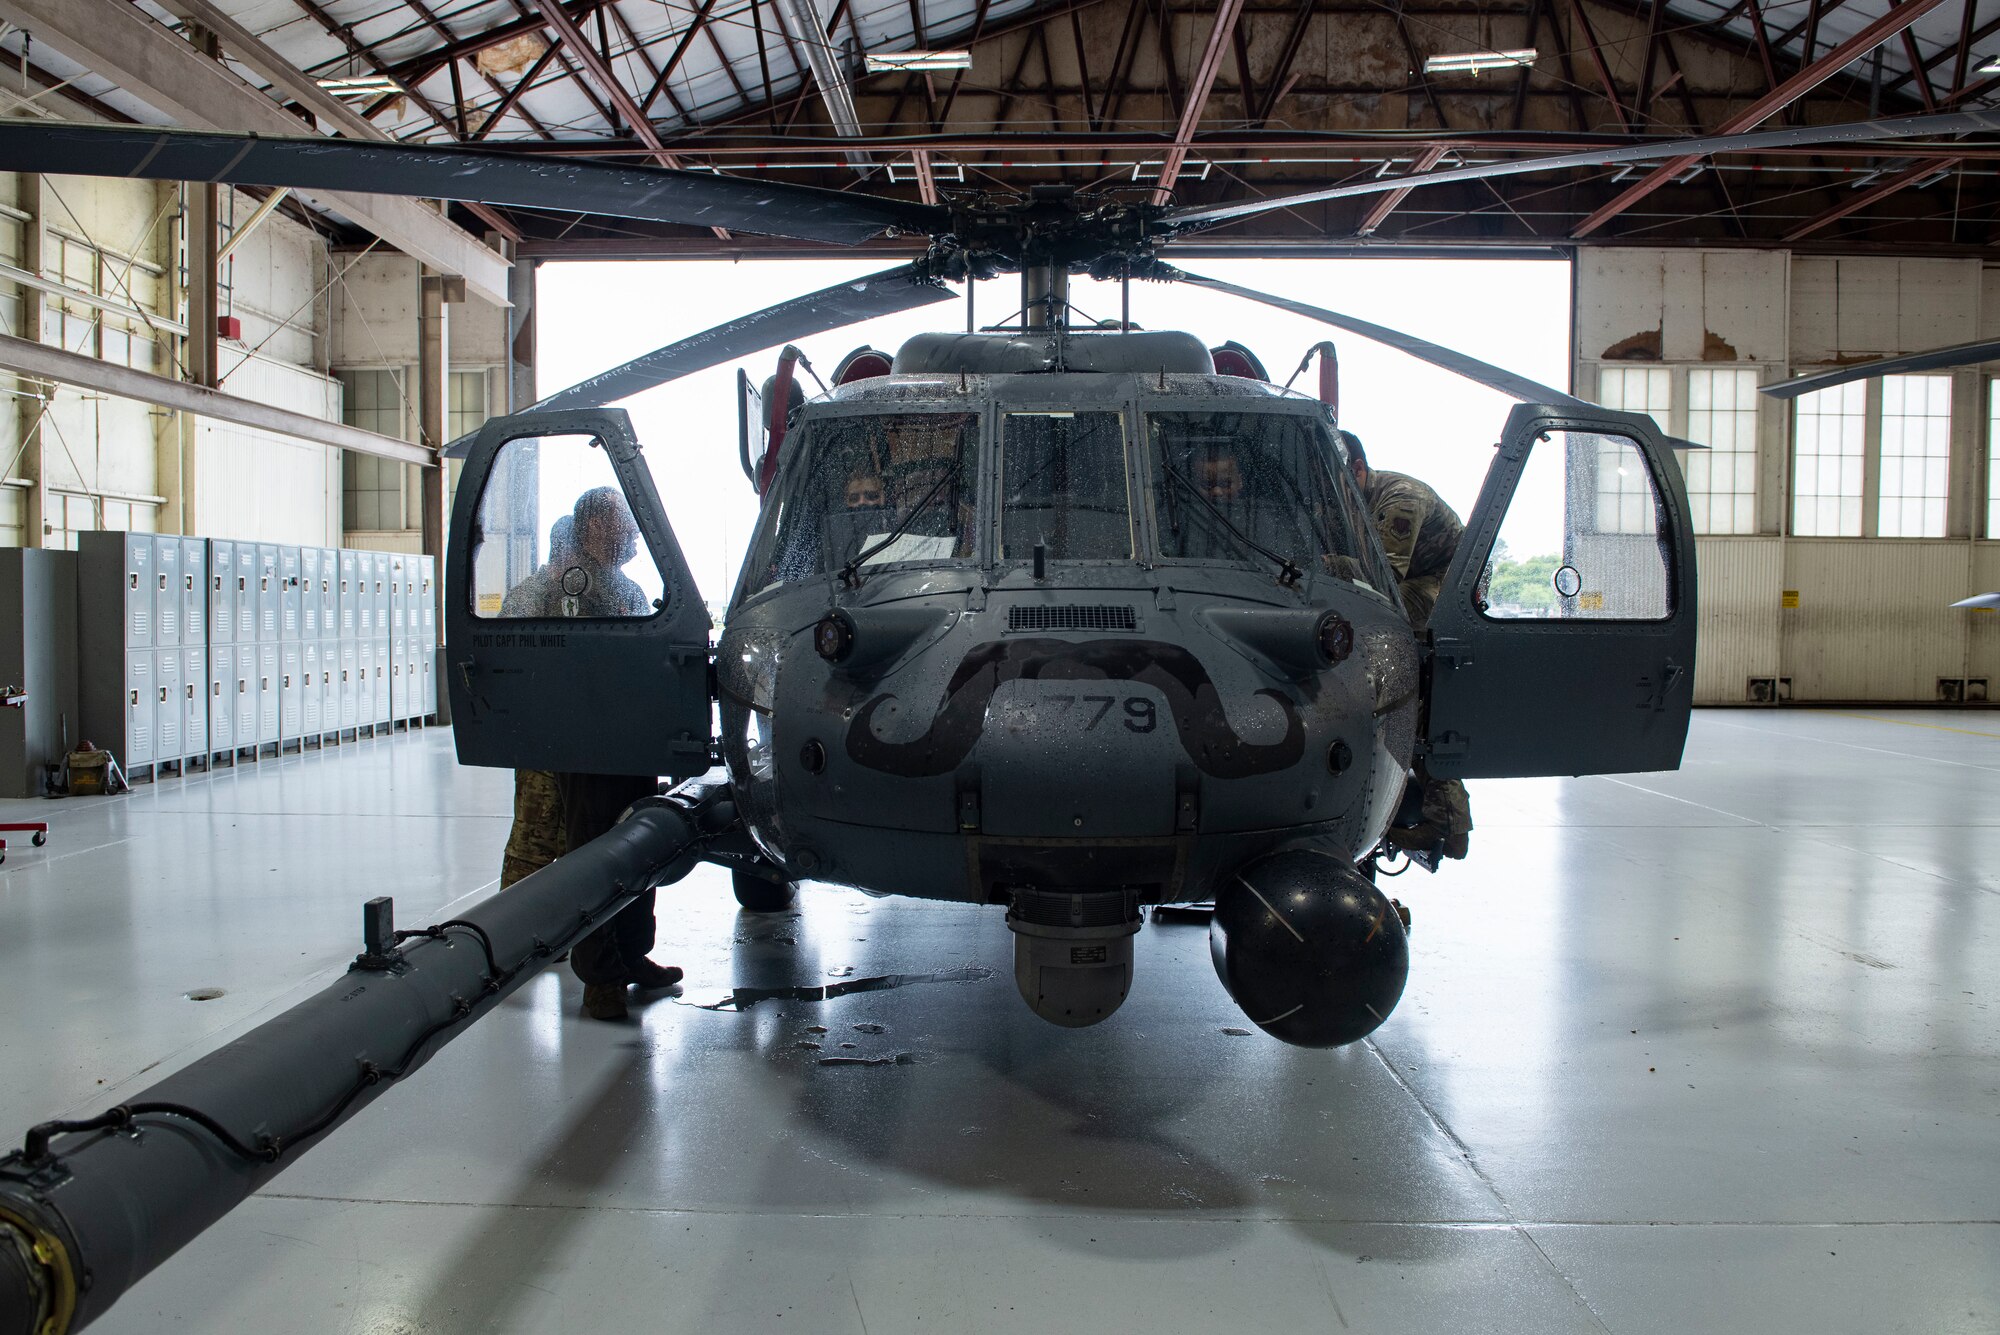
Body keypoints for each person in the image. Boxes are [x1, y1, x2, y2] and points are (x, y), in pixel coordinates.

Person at [1342, 429, 1473, 861]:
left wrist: (1319, 564)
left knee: (1408, 702)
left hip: (1449, 590)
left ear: (1359, 469)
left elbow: (1383, 578)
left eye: (1342, 483)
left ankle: (1448, 823)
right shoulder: (1359, 499)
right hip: (1414, 588)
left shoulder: (1400, 498)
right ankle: (1445, 822)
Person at [499, 516, 577, 890]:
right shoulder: (531, 596)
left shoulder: (598, 592)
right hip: (541, 744)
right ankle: (519, 939)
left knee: (576, 845)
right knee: (533, 844)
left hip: (579, 741)